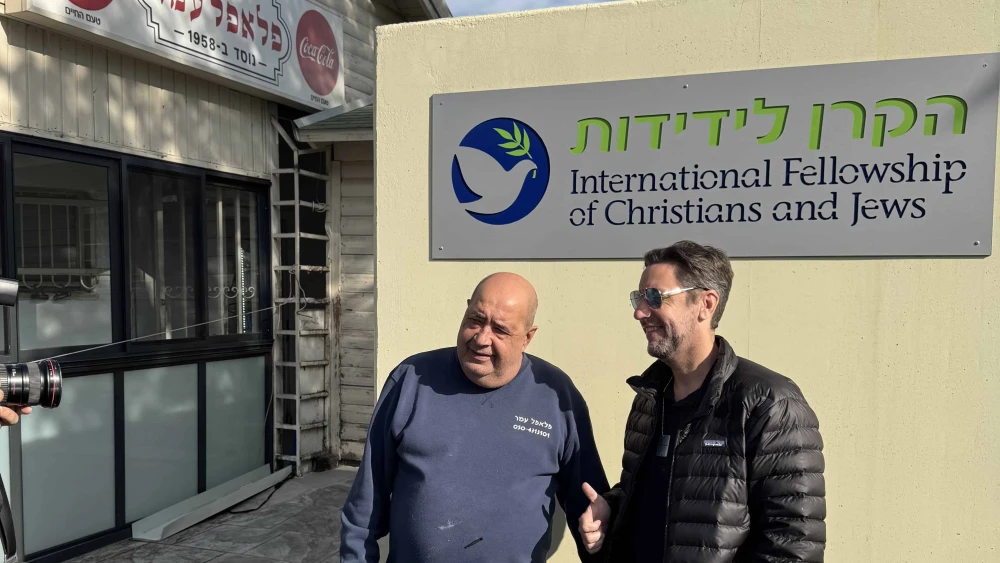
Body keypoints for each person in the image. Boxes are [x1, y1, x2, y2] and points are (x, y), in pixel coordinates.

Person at [578, 240, 826, 562]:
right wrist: (611, 508)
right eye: (638, 298)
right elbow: (657, 499)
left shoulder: (769, 404)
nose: (640, 312)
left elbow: (793, 544)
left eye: (654, 297)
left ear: (706, 304)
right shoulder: (649, 400)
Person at [341, 272, 610, 563]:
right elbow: (365, 506)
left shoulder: (556, 395)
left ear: (527, 337)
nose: (482, 338)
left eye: (500, 330)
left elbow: (592, 511)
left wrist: (598, 541)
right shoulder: (411, 380)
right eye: (475, 320)